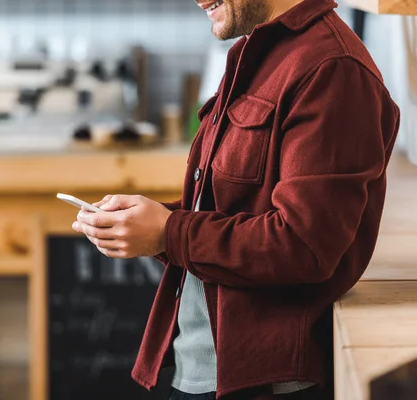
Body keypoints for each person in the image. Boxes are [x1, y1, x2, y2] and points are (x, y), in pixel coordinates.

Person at [72, 0, 400, 398]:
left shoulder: (333, 69)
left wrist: (169, 233)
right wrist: (151, 222)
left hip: (258, 381)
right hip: (205, 368)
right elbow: (243, 210)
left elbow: (304, 244)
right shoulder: (261, 52)